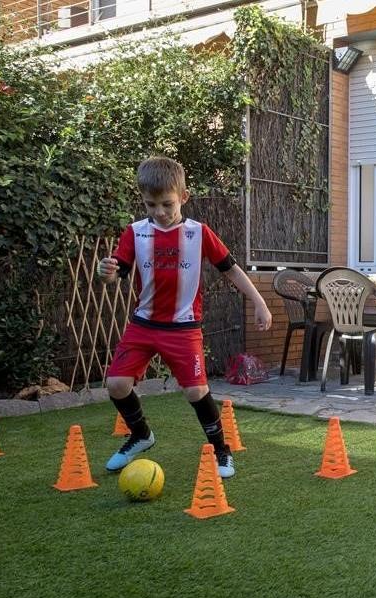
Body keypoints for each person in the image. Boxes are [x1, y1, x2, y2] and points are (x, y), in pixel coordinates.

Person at [98, 157, 273, 479]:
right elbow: (117, 273)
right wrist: (106, 273)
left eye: (167, 204)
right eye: (152, 204)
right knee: (116, 384)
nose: (160, 212)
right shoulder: (134, 233)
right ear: (143, 200)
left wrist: (259, 302)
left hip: (183, 328)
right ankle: (140, 435)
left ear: (184, 197)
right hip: (143, 325)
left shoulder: (200, 233)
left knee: (195, 391)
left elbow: (232, 269)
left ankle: (222, 449)